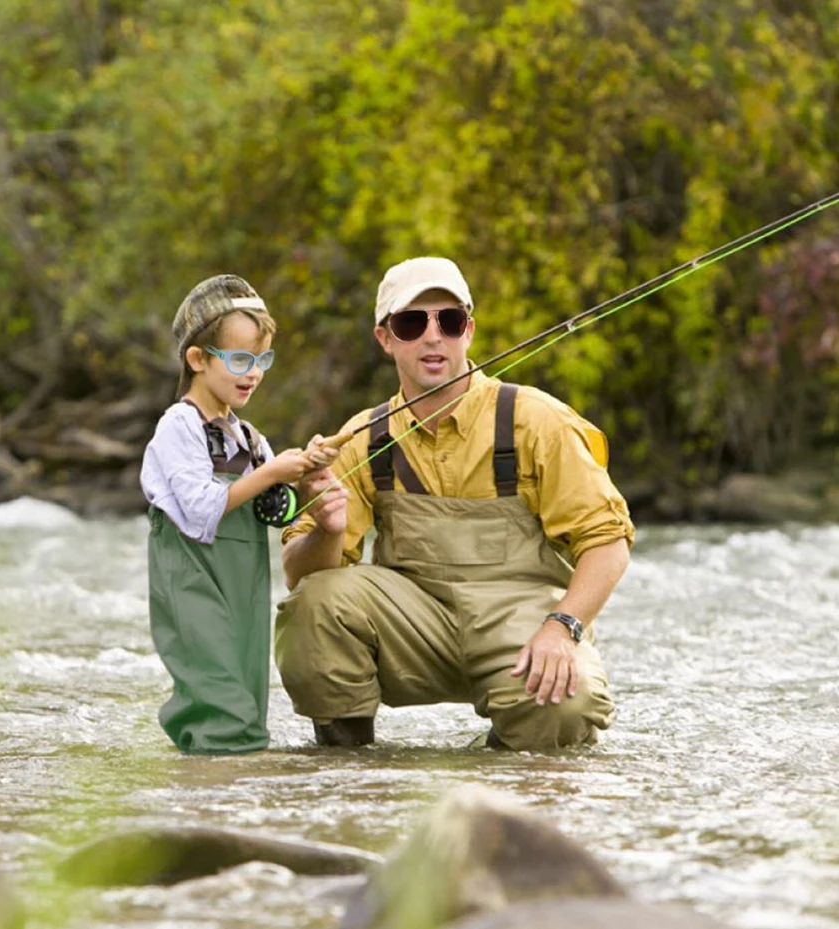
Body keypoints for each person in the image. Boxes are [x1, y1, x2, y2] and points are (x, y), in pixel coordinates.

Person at [275, 257, 634, 751]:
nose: (433, 337)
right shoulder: (360, 438)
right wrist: (327, 529)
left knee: (566, 704)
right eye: (411, 323)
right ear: (385, 338)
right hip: (413, 627)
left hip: (522, 621)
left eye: (449, 320)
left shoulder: (537, 420)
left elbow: (608, 544)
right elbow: (299, 575)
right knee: (314, 604)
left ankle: (505, 755)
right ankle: (350, 771)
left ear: (469, 330)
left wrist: (563, 627)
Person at [141, 274, 334, 755]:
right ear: (198, 359)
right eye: (241, 360)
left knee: (247, 697)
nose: (254, 373)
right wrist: (270, 472)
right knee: (216, 696)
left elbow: (274, 509)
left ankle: (227, 783)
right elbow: (201, 508)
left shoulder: (249, 437)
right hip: (192, 580)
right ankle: (216, 783)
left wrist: (304, 476)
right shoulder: (178, 426)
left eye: (263, 360)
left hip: (243, 586)